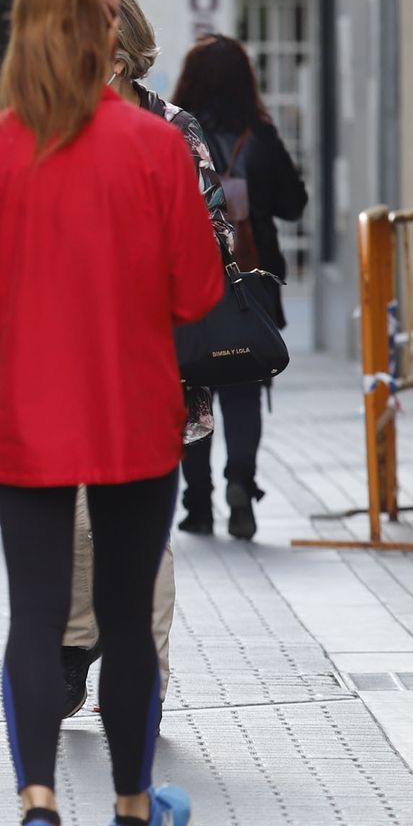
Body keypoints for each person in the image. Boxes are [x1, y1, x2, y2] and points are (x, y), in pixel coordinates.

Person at [0, 0, 222, 826]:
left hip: (24, 417)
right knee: (131, 623)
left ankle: (38, 823)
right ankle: (133, 817)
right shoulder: (155, 146)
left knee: (35, 616)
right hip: (136, 415)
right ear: (109, 32)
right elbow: (198, 288)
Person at [59, 0, 236, 718]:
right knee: (72, 518)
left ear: (126, 50)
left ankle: (140, 673)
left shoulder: (172, 128)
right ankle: (75, 643)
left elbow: (215, 237)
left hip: (154, 360)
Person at [172, 33, 309, 540]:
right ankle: (241, 485)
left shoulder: (176, 133)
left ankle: (199, 502)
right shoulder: (262, 136)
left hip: (190, 281)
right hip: (251, 283)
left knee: (193, 382)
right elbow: (295, 203)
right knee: (245, 386)